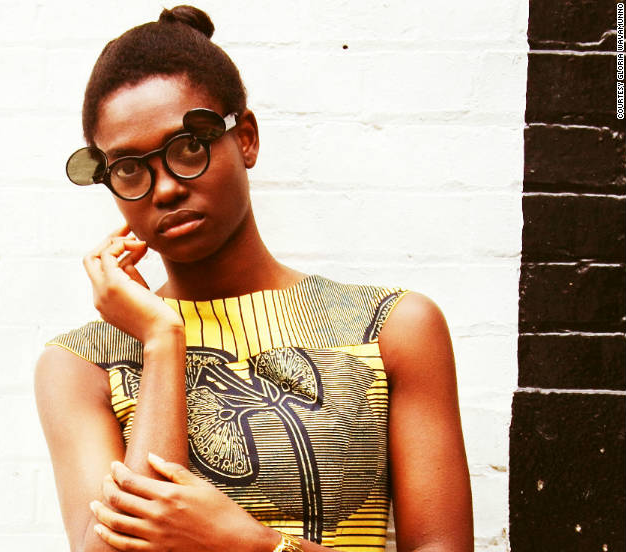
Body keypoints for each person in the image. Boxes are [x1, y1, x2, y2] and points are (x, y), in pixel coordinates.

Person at [35, 6, 473, 551]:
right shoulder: (81, 365)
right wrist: (162, 339)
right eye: (129, 166)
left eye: (188, 147)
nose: (165, 188)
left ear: (245, 138)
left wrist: (253, 544)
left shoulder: (391, 329)